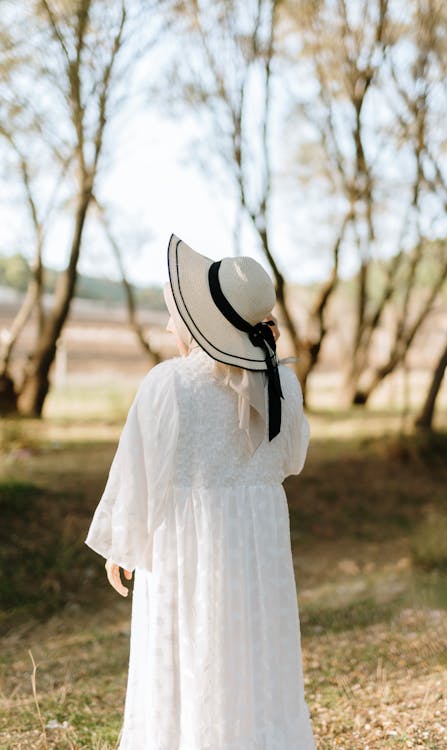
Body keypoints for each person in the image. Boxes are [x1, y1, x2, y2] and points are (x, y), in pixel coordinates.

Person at [85, 234, 316, 749]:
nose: (169, 324)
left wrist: (123, 543)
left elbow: (136, 478)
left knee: (190, 655)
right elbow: (291, 461)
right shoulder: (282, 385)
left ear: (199, 323)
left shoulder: (169, 385)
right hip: (258, 555)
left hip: (187, 556)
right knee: (255, 661)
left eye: (176, 313)